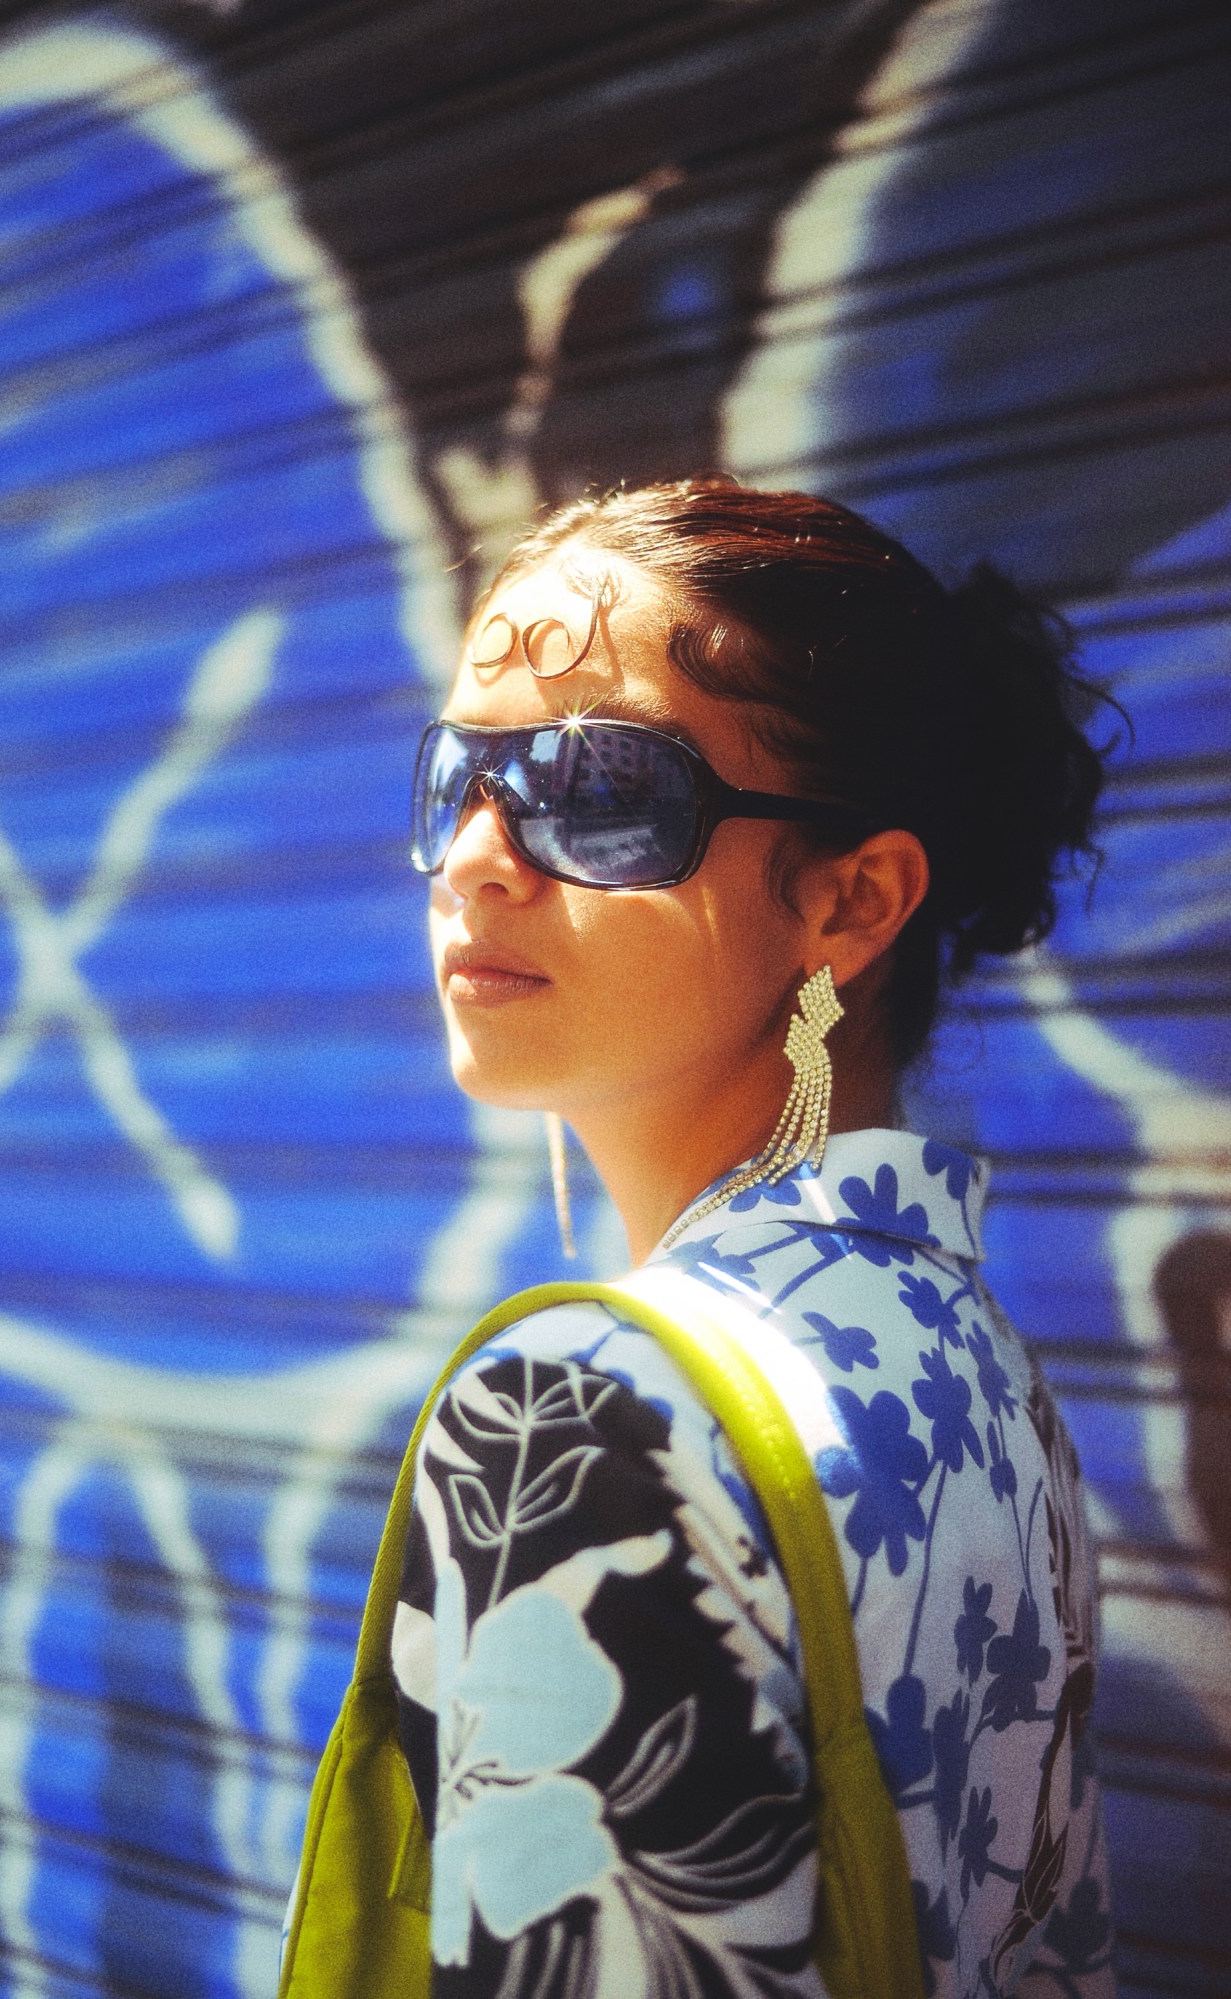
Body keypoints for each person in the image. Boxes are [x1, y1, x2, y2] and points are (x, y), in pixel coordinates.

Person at [392, 480, 1116, 1998]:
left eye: (593, 789)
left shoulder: (580, 1416)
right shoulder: (985, 1380)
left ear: (852, 902)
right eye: (458, 773)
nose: (473, 855)